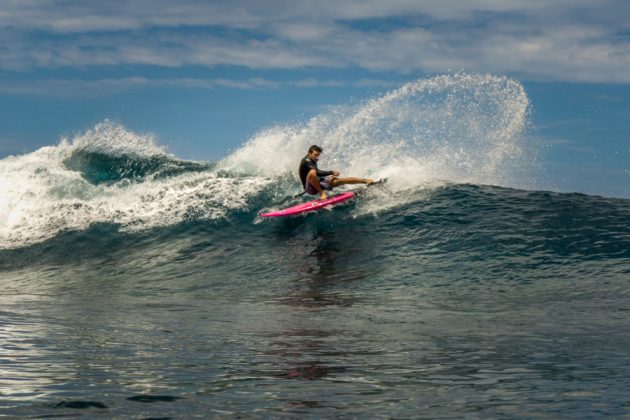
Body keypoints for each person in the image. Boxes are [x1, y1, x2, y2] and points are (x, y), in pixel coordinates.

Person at [299, 145, 374, 200]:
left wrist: (329, 178)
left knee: (337, 180)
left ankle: (365, 181)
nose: (317, 157)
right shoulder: (306, 161)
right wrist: (332, 172)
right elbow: (317, 173)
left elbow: (318, 175)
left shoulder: (313, 159)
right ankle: (322, 193)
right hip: (309, 188)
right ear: (309, 153)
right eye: (315, 155)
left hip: (318, 182)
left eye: (318, 155)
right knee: (312, 172)